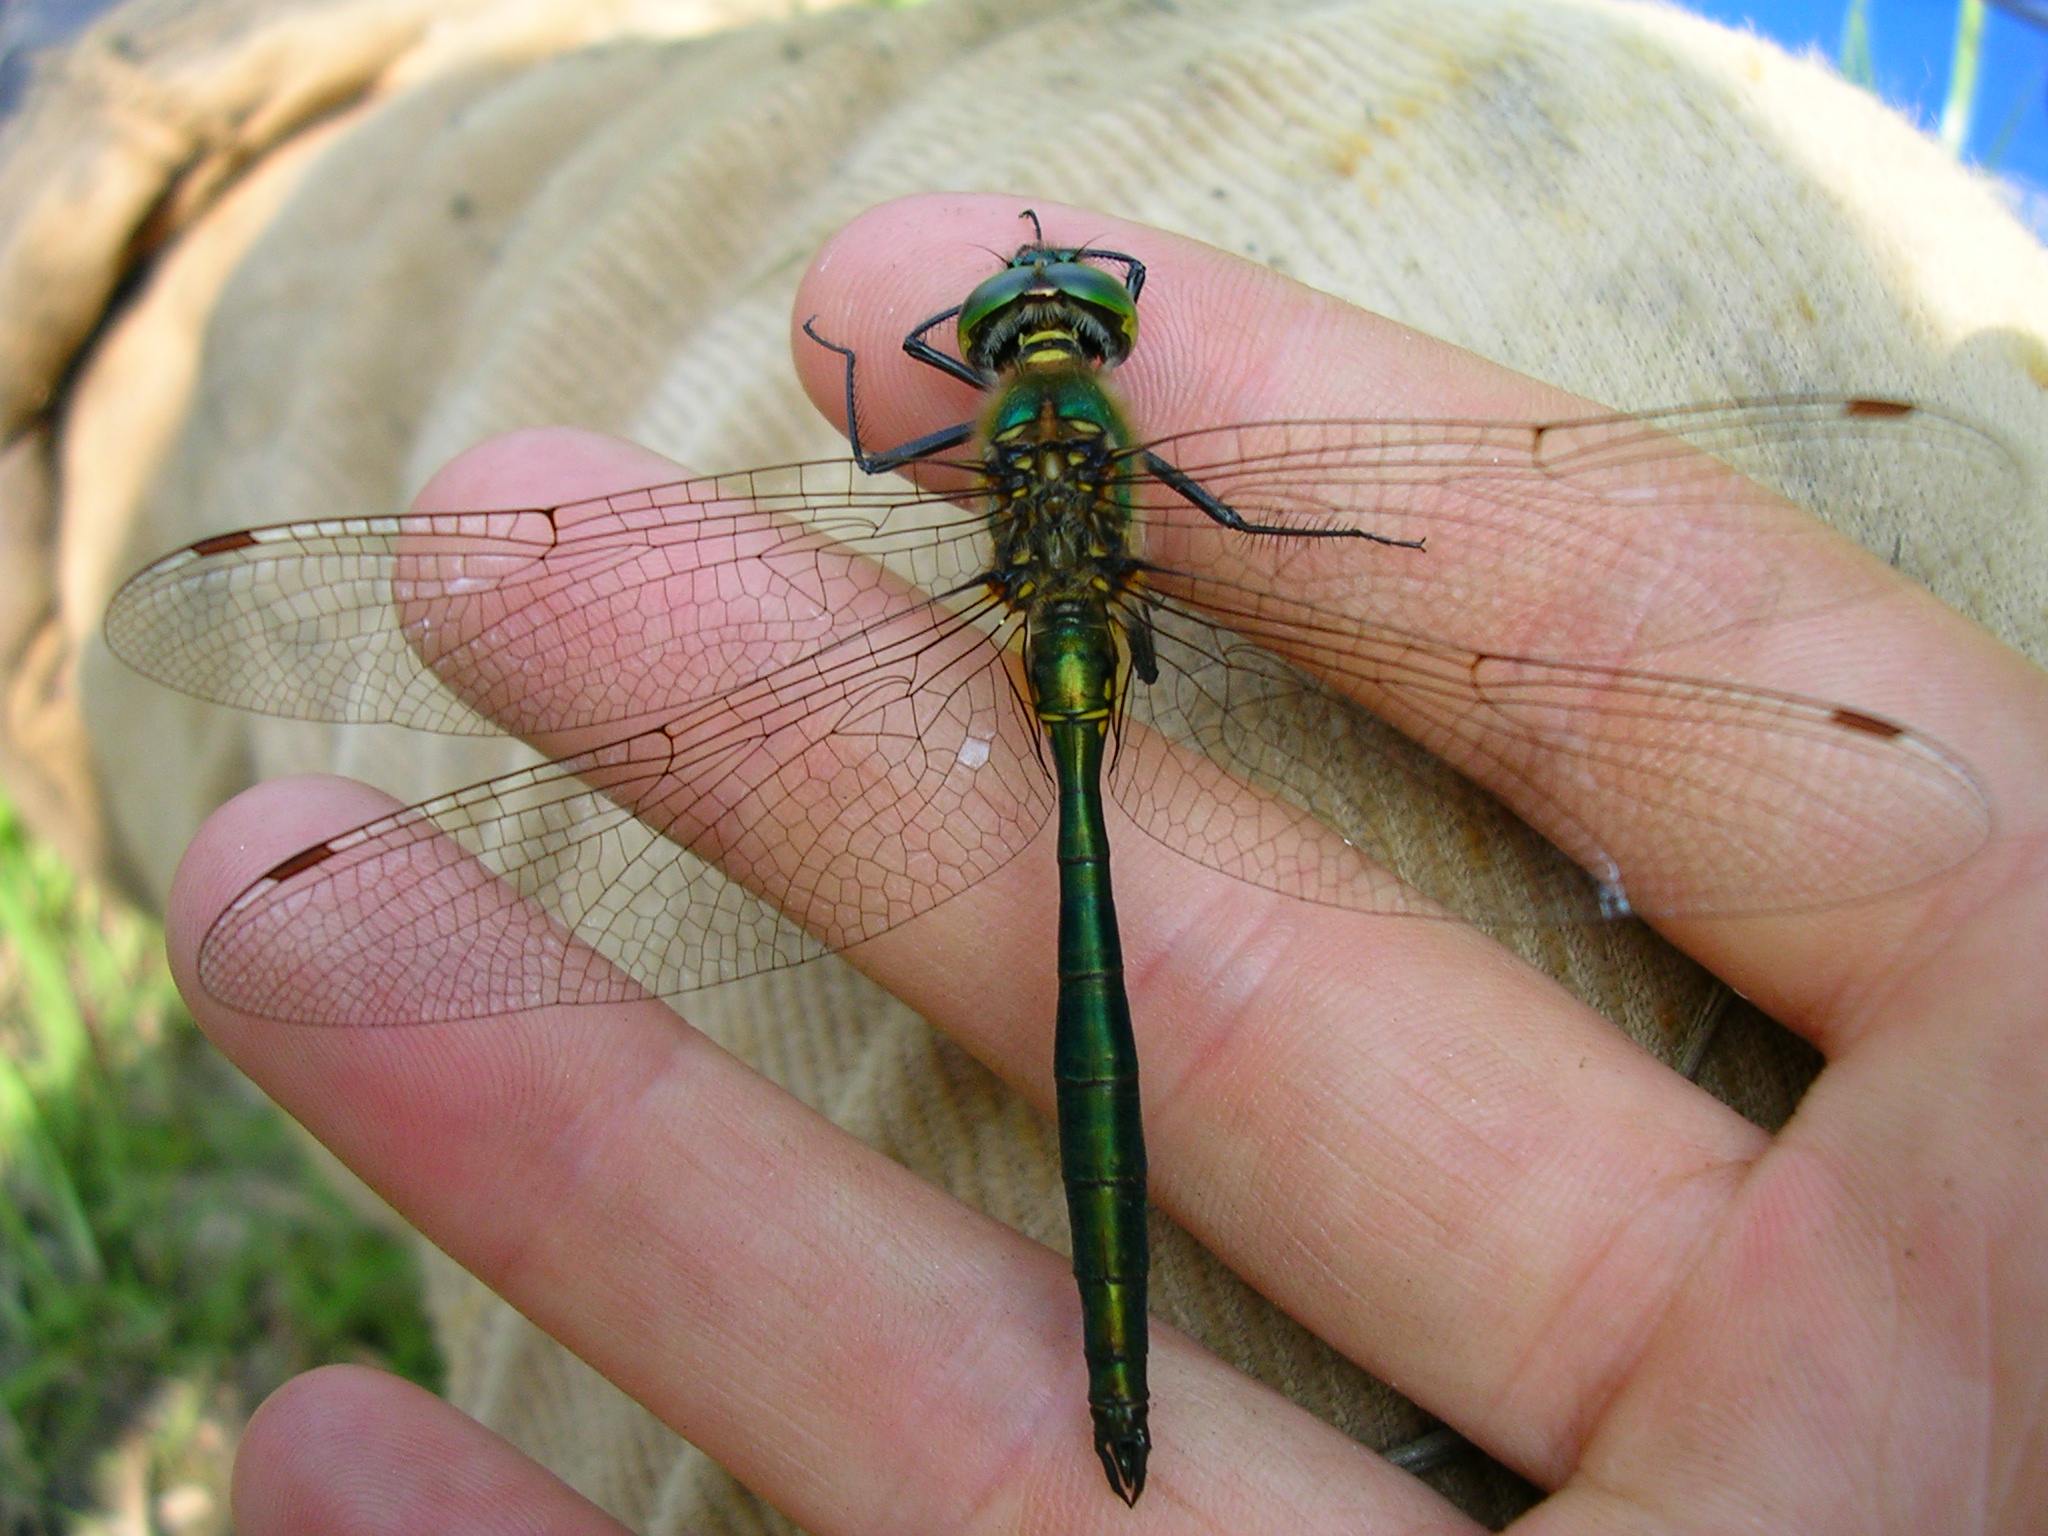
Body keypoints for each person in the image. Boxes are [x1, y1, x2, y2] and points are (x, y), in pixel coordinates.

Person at [178, 199, 2048, 1532]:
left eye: (1031, 326)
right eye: (1044, 321)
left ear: (997, 383)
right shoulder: (1129, 444)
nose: (1039, 331)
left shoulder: (972, 427)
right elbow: (1227, 506)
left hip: (1020, 687)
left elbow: (912, 372)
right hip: (1093, 669)